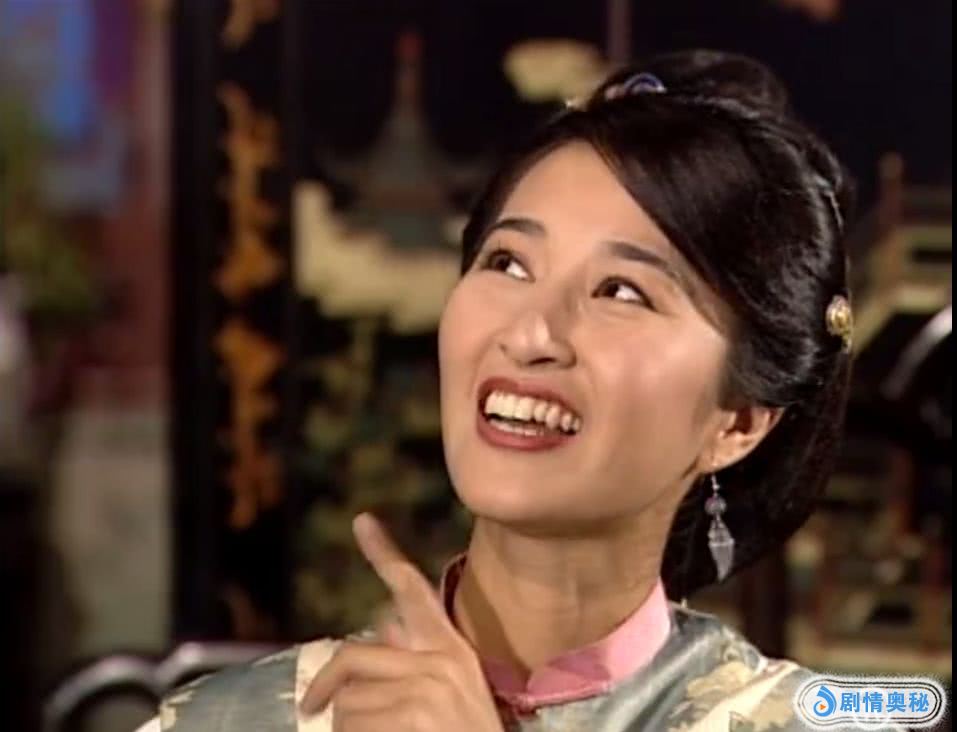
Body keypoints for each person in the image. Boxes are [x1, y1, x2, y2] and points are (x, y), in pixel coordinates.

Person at [139, 49, 878, 731]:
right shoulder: (234, 720)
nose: (530, 334)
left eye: (621, 291)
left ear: (739, 422)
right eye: (508, 264)